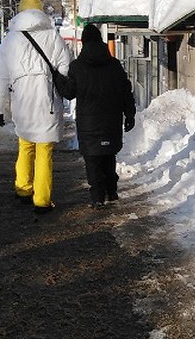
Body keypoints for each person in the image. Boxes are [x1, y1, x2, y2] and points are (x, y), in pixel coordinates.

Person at [0, 0, 72, 214]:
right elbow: (65, 68)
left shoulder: (11, 39)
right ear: (39, 9)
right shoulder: (52, 35)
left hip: (22, 102)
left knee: (25, 145)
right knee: (44, 150)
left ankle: (23, 188)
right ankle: (42, 200)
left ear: (19, 10)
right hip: (46, 101)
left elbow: (1, 77)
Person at [53, 24, 136, 208]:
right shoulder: (114, 66)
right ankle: (112, 191)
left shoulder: (77, 67)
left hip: (88, 122)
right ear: (101, 41)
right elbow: (125, 92)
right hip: (111, 121)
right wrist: (130, 115)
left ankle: (97, 197)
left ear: (83, 42)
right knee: (108, 156)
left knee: (92, 160)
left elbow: (69, 92)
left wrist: (57, 77)